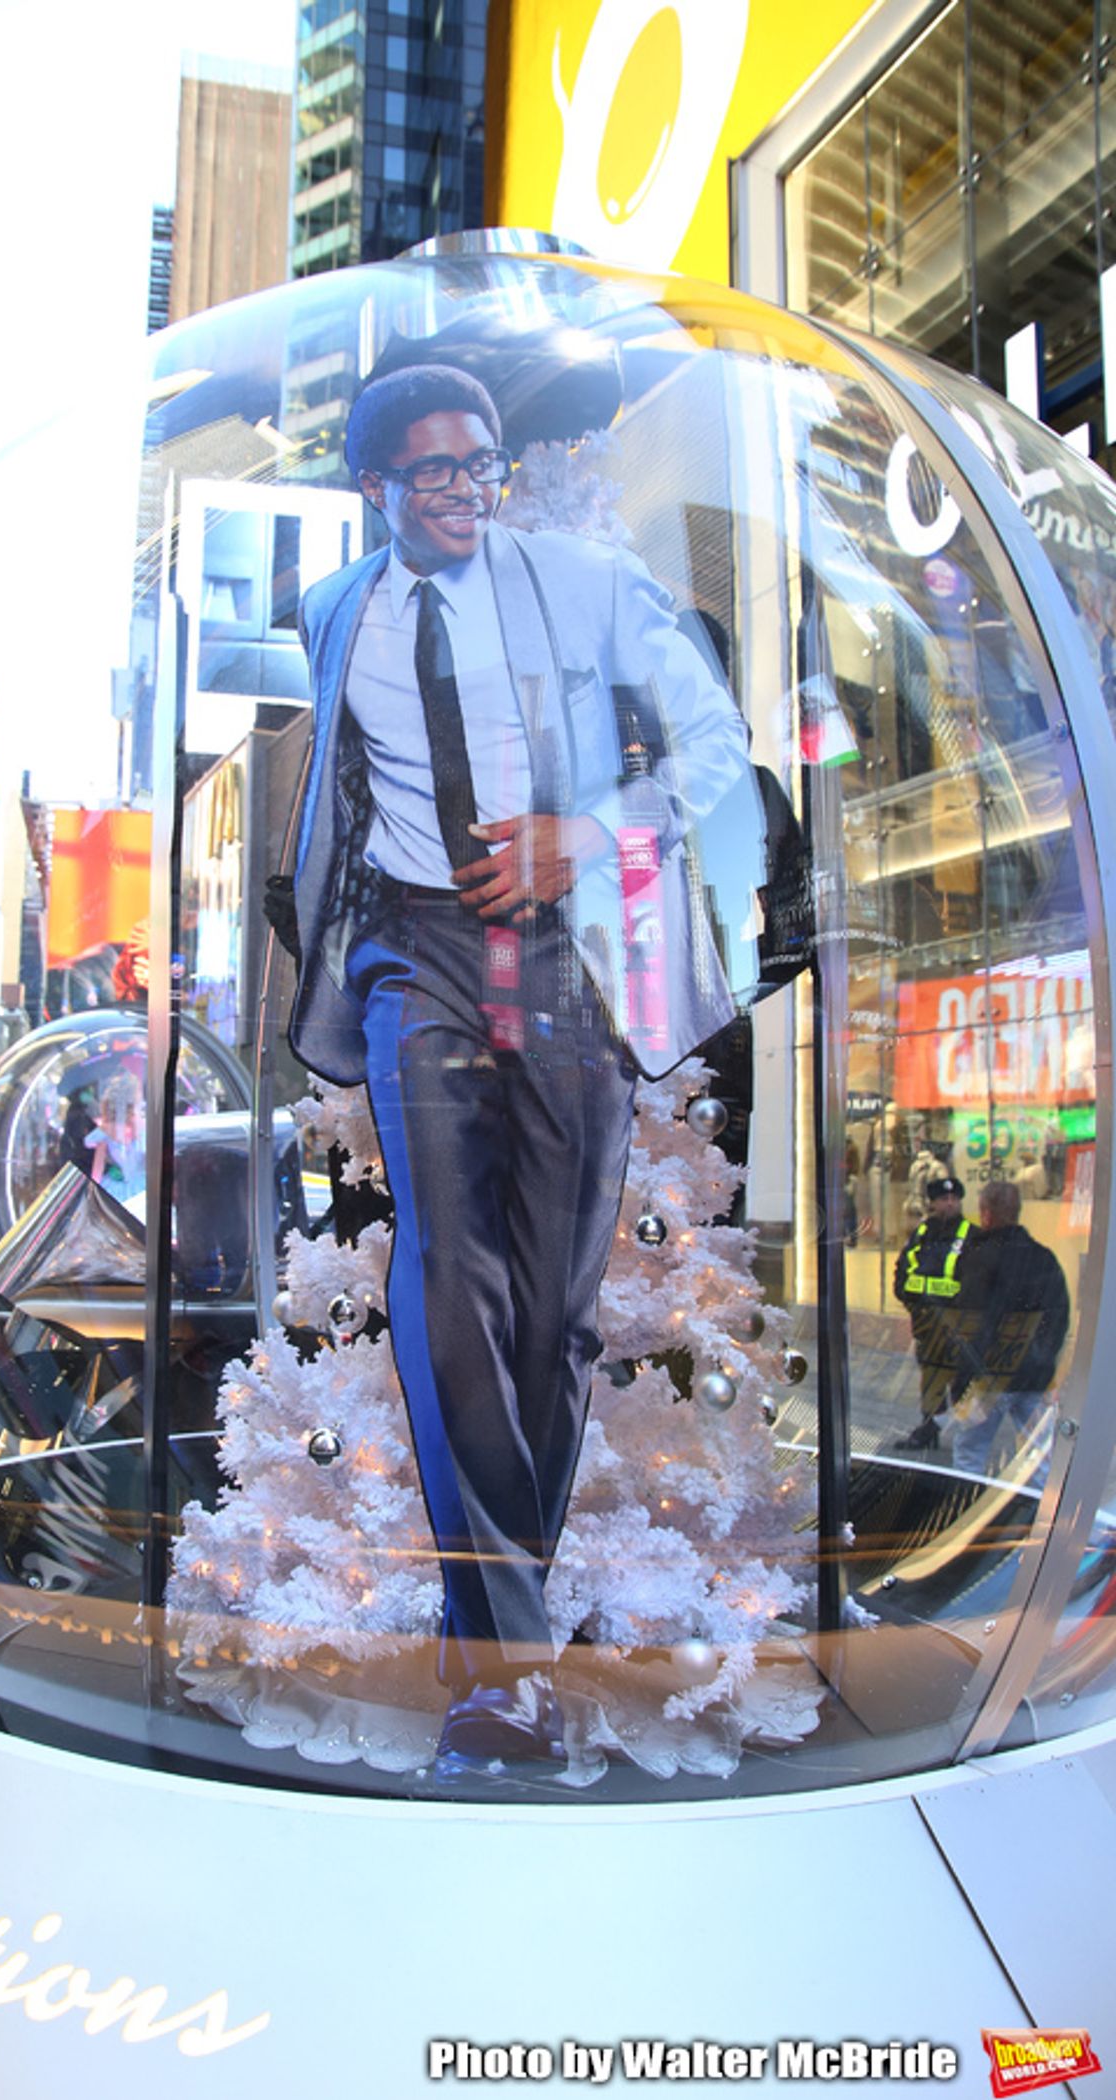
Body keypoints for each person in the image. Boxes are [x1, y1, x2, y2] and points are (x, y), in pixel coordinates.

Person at [282, 361, 754, 1777]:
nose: (464, 494)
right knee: (448, 1267)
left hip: (570, 955)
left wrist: (592, 831)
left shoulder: (585, 584)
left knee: (551, 1308)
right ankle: (508, 1661)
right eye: (432, 473)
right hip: (412, 957)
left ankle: (497, 1617)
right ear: (373, 489)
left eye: (480, 466)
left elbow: (717, 740)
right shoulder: (334, 613)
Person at [949, 1179, 1070, 1483]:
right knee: (1039, 1458)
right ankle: (1039, 1519)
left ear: (986, 1213)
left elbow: (970, 1325)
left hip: (987, 1376)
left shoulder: (979, 1258)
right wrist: (1043, 1363)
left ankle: (965, 1516)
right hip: (1032, 1377)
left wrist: (963, 1378)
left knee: (969, 1455)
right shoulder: (1043, 1258)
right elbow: (1058, 1319)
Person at [892, 1174, 974, 1451]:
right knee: (931, 1381)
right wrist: (915, 1307)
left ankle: (968, 1439)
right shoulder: (922, 1233)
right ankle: (929, 1430)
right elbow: (903, 1272)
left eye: (953, 1199)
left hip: (960, 1327)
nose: (949, 1204)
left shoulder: (971, 1235)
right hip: (928, 1326)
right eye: (943, 1199)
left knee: (963, 1384)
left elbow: (981, 1281)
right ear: (933, 1203)